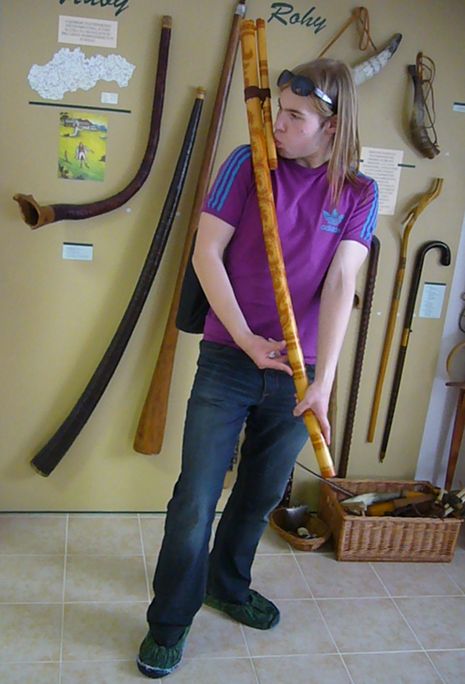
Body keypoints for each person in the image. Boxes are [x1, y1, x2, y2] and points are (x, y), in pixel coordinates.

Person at [137, 58, 378, 679]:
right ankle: (169, 623)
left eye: (295, 116)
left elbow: (342, 282)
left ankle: (227, 584)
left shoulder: (359, 192)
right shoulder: (248, 163)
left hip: (299, 370)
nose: (278, 124)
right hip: (229, 355)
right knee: (196, 498)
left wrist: (322, 383)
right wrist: (245, 339)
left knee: (262, 493)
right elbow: (206, 252)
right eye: (278, 110)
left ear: (332, 126)